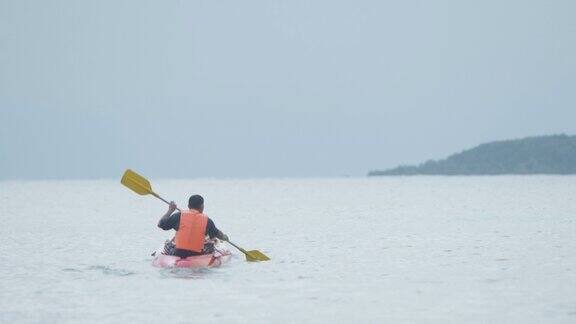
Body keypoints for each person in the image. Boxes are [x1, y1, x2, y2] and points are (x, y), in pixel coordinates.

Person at [157, 194, 228, 258]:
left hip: (179, 253)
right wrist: (225, 237)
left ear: (188, 206)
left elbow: (160, 224)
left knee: (168, 243)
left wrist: (171, 210)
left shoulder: (179, 216)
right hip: (197, 254)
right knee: (211, 243)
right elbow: (217, 234)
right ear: (202, 206)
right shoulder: (207, 221)